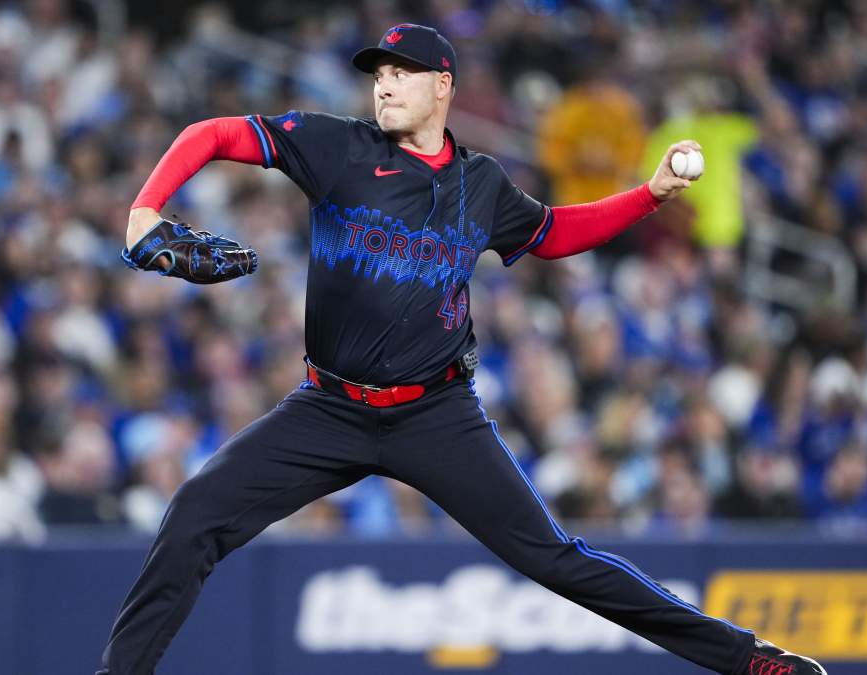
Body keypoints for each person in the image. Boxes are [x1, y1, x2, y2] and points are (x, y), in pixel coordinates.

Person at [98, 24, 826, 675]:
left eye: (402, 72)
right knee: (194, 513)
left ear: (442, 85)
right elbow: (214, 133)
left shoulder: (481, 184)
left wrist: (650, 196)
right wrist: (145, 209)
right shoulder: (337, 147)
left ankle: (746, 659)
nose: (384, 84)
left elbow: (552, 233)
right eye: (378, 73)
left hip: (434, 413)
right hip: (329, 408)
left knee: (556, 559)